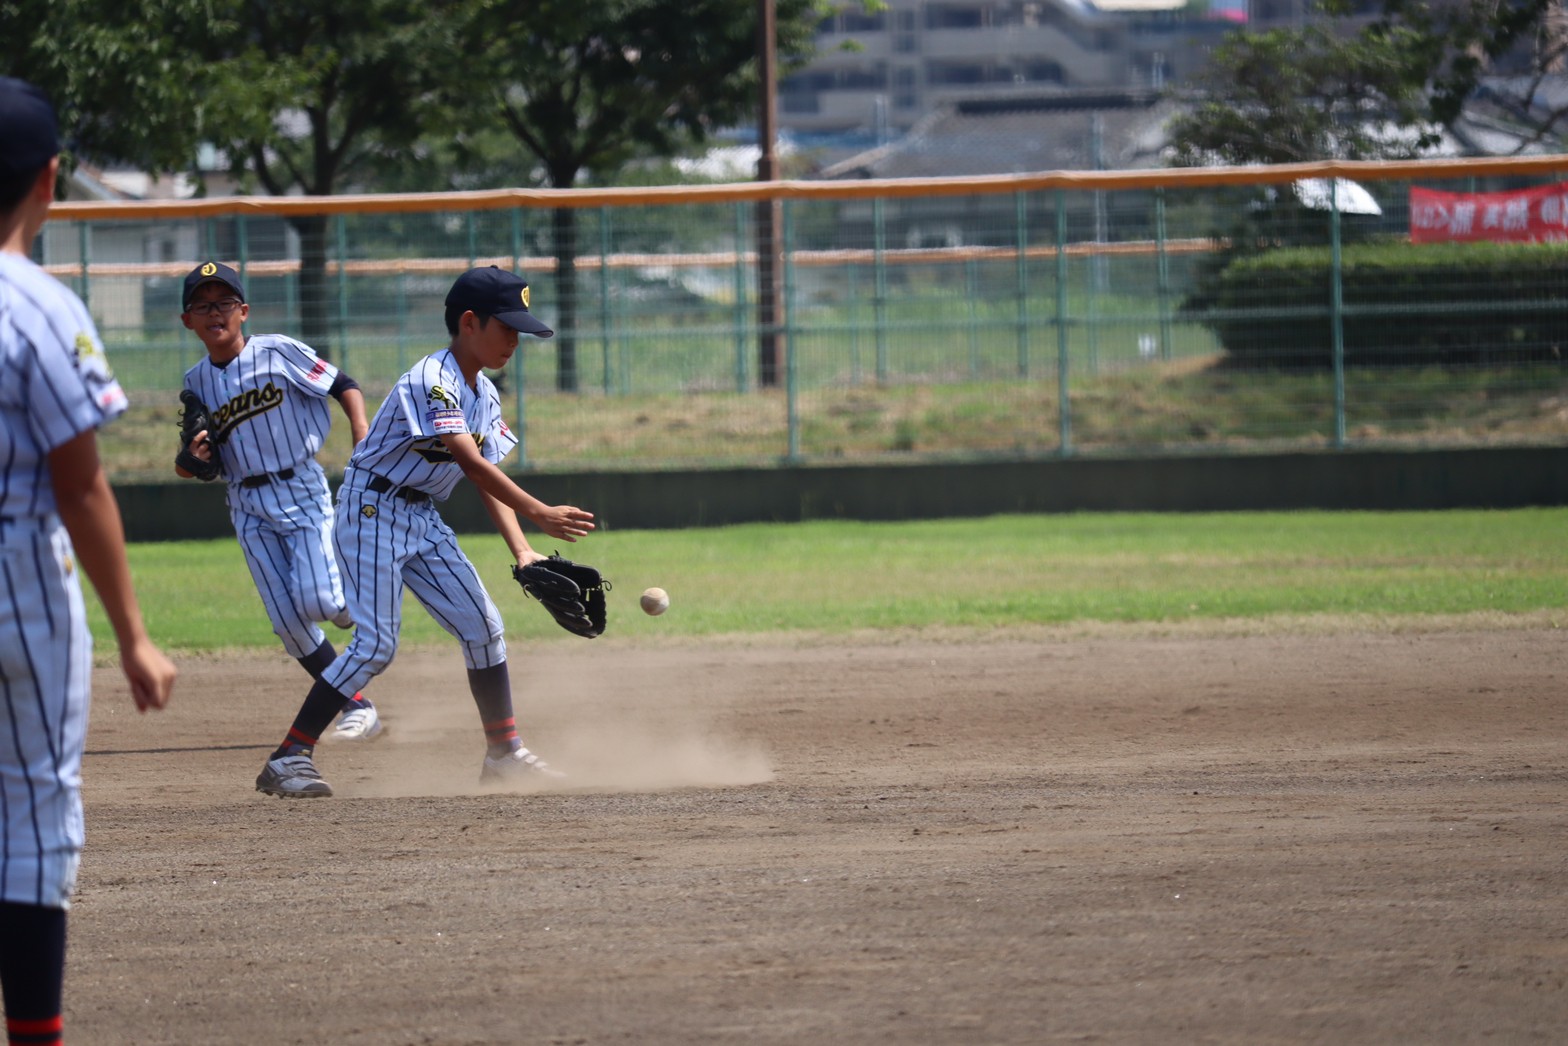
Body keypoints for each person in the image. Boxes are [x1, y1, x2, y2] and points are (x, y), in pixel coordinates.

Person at [255, 265, 594, 798]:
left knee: (484, 627)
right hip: (370, 508)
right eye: (506, 327)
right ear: (468, 323)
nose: (514, 339)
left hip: (420, 516)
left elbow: (481, 474)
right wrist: (539, 512)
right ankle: (288, 757)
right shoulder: (431, 380)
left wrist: (524, 548)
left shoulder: (484, 394)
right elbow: (472, 463)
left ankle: (504, 754)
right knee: (376, 646)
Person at [0, 76, 178, 1046]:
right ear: (51, 181)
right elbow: (79, 485)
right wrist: (136, 635)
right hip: (18, 578)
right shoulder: (36, 306)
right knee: (31, 811)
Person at [175, 261, 383, 742]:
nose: (215, 312)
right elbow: (190, 466)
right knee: (290, 627)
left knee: (321, 601)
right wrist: (191, 458)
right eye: (202, 305)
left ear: (243, 311)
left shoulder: (278, 351)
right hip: (246, 504)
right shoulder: (196, 381)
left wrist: (360, 429)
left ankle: (364, 597)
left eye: (224, 302)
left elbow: (343, 384)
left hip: (300, 487)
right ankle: (358, 705)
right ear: (187, 321)